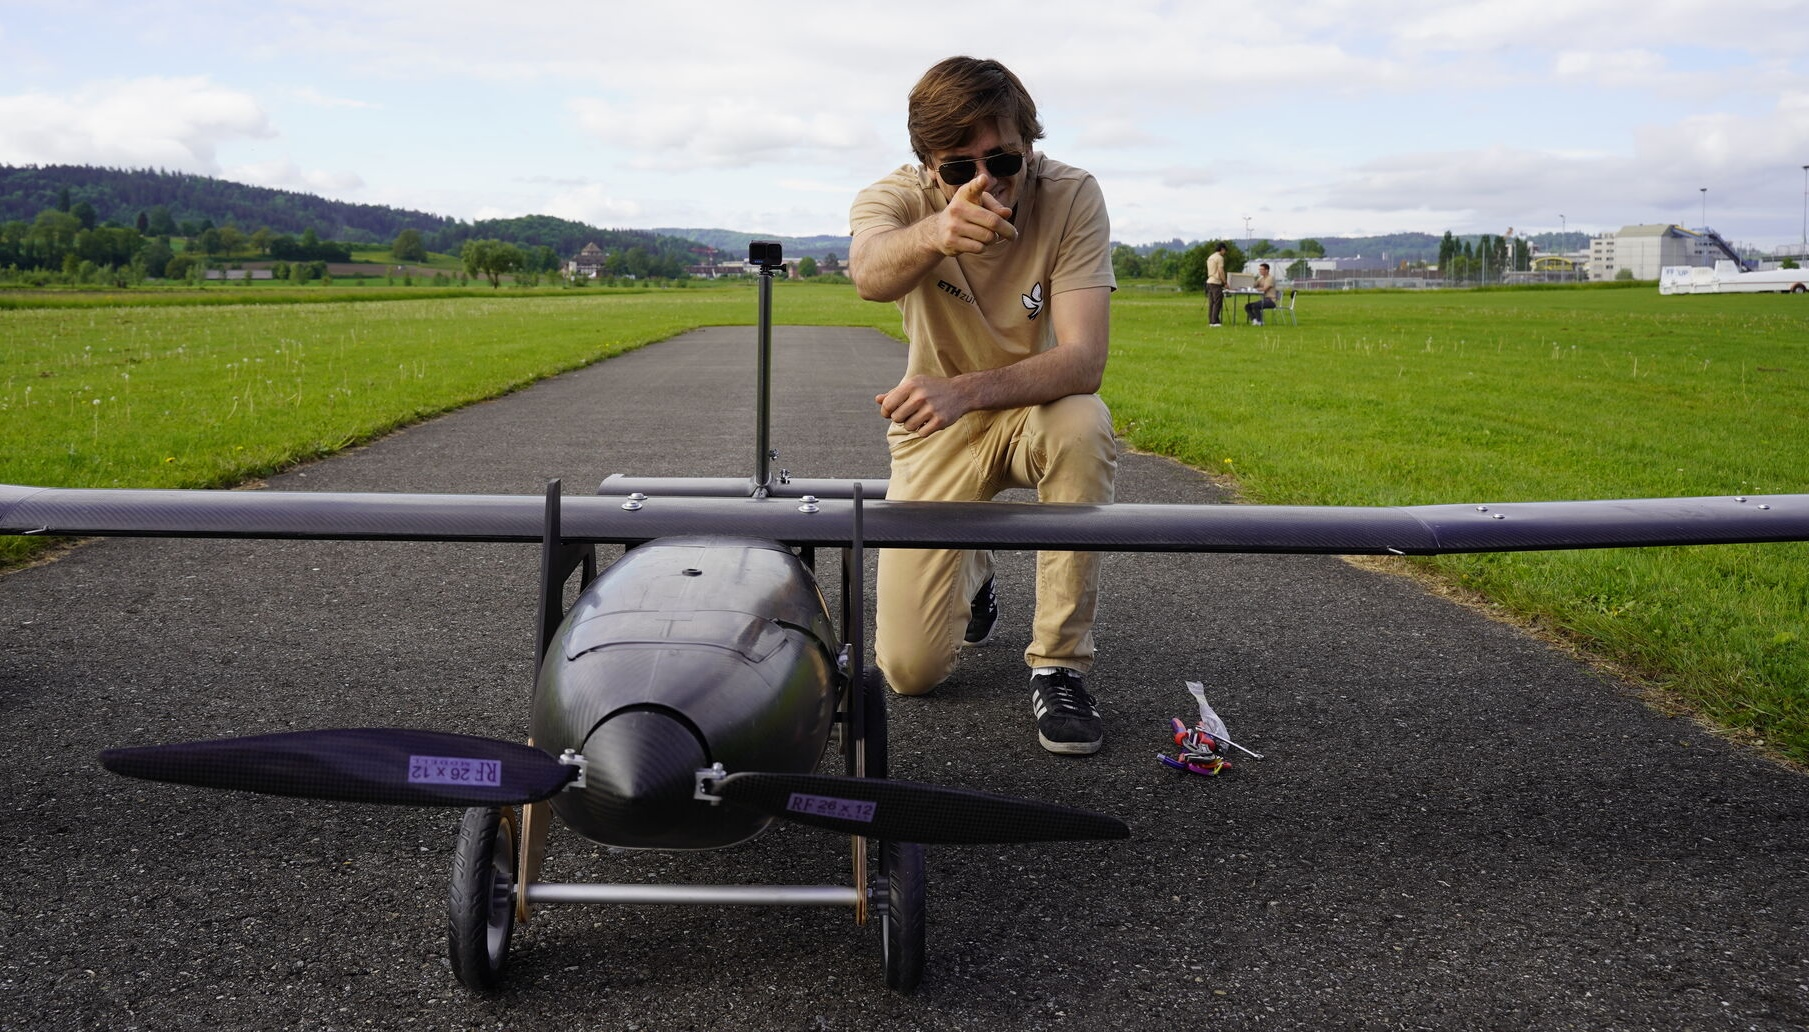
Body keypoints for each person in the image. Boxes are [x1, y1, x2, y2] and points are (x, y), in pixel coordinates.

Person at [848, 56, 1118, 756]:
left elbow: (1084, 360)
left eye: (1001, 158)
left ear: (1028, 145)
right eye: (957, 167)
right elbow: (869, 275)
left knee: (1083, 423)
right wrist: (935, 233)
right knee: (909, 673)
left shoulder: (1070, 194)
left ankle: (1059, 664)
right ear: (924, 167)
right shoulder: (896, 200)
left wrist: (964, 389)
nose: (985, 180)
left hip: (1027, 412)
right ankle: (974, 570)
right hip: (937, 433)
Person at [1205, 242, 1228, 327]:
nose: (1225, 252)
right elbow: (1220, 270)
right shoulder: (1220, 258)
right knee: (1217, 302)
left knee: (1212, 302)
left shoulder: (1210, 257)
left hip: (1209, 281)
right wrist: (1225, 282)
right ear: (1222, 249)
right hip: (1216, 282)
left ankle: (1211, 320)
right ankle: (1215, 321)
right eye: (1225, 250)